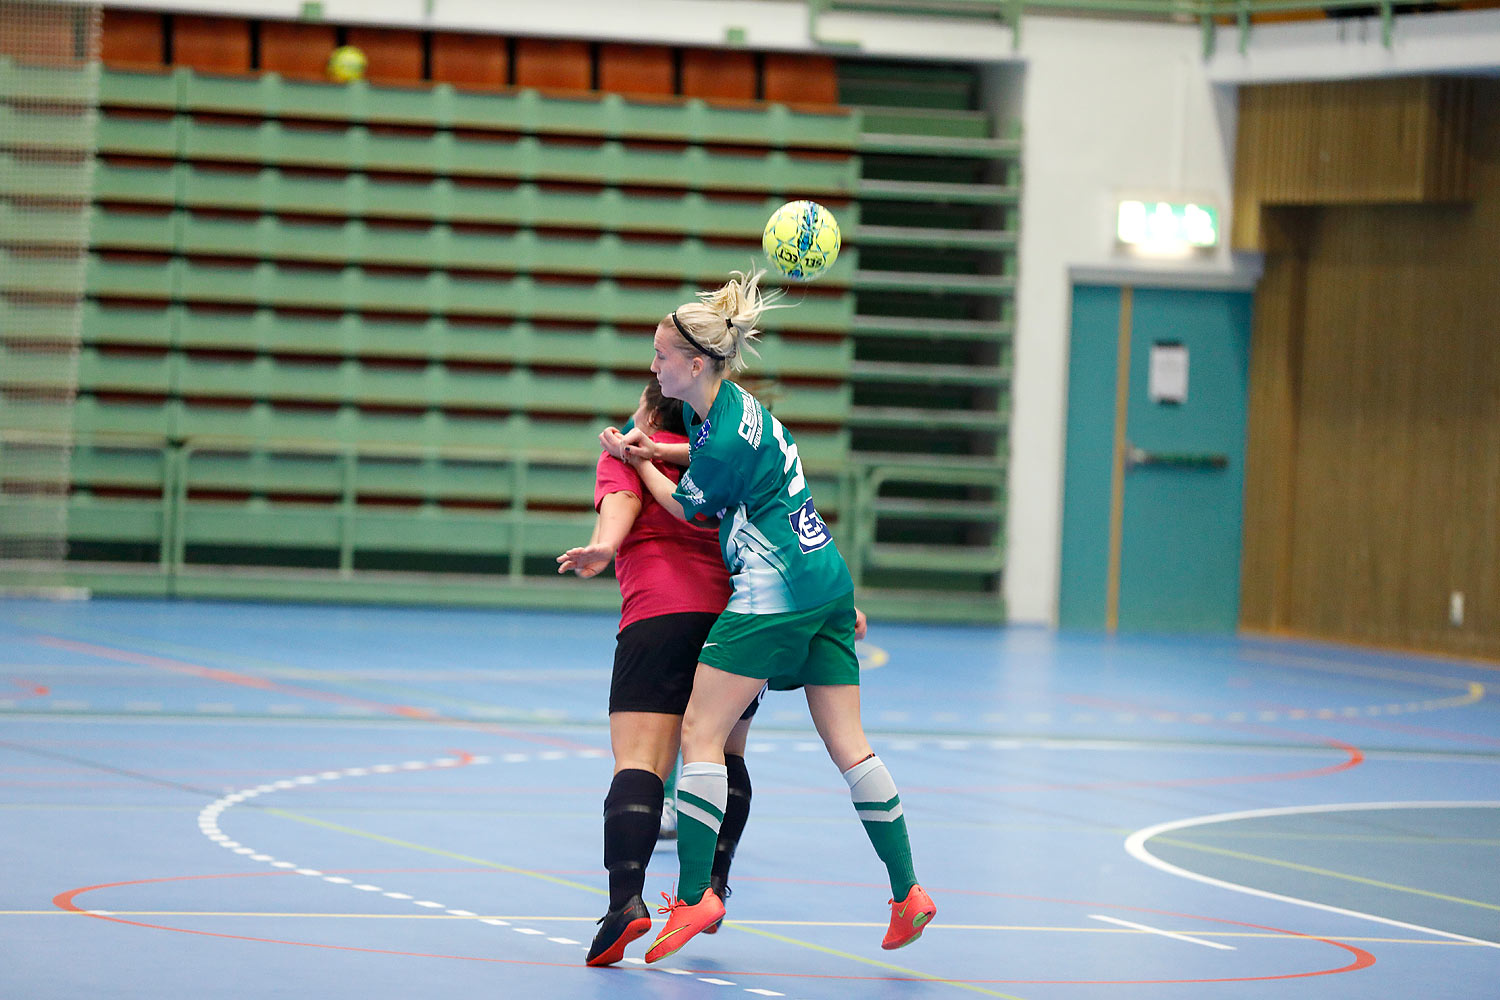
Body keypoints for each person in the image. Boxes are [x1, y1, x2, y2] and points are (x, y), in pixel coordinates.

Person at [603, 270, 934, 964]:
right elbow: (710, 454)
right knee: (851, 745)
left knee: (702, 731)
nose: (653, 364)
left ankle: (695, 895)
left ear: (694, 364)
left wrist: (636, 464)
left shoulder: (715, 436)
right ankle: (908, 892)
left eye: (662, 355)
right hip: (828, 580)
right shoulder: (732, 408)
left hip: (773, 589)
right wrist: (656, 447)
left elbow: (691, 506)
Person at [557, 377, 760, 967]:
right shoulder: (725, 455)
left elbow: (621, 502)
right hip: (733, 620)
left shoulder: (627, 448)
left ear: (650, 407)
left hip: (660, 615)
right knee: (724, 755)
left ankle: (626, 904)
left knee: (640, 763)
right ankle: (711, 889)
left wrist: (604, 544)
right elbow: (781, 523)